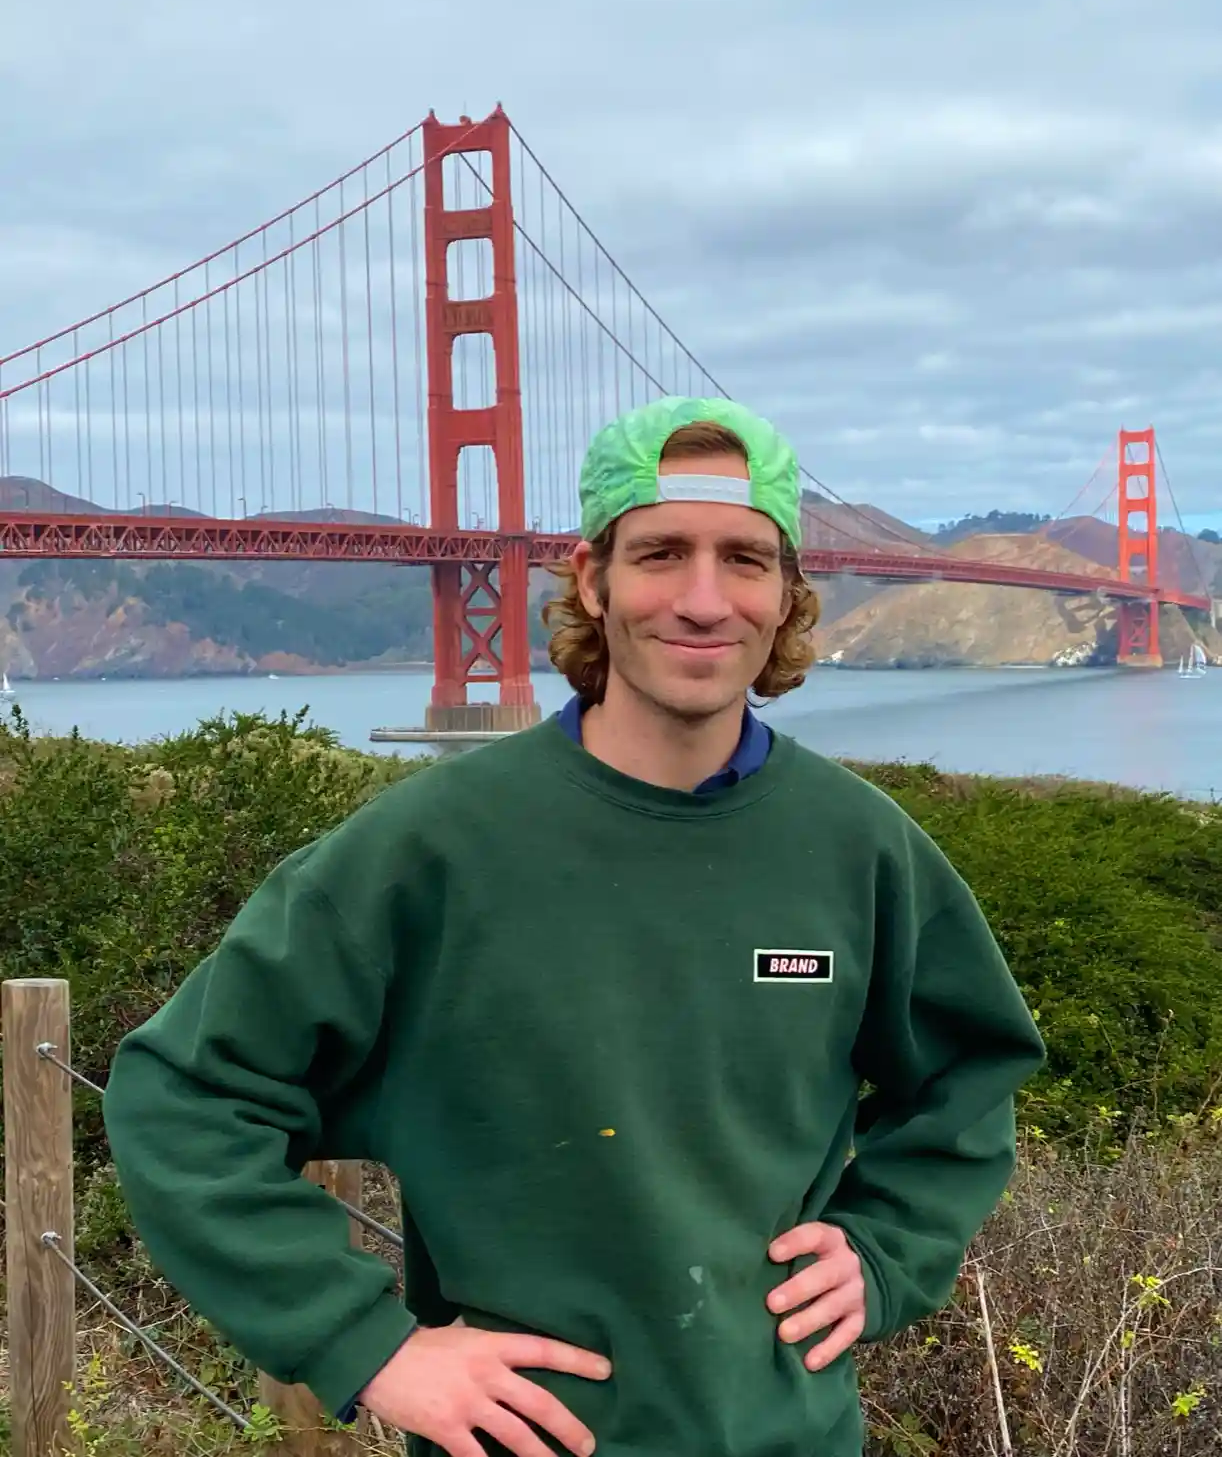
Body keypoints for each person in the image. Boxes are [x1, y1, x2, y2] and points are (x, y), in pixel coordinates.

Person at [103, 396, 1046, 1457]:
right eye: (659, 554)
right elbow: (184, 1094)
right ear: (591, 580)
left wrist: (884, 1251)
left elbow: (969, 1075)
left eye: (744, 559)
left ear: (788, 596)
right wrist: (368, 1345)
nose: (702, 600)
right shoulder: (433, 848)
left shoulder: (861, 849)